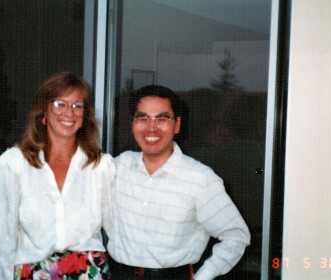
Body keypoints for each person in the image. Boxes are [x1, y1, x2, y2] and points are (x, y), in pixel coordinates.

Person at [106, 85, 250, 280]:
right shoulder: (117, 168)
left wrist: (203, 276)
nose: (151, 128)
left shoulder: (200, 179)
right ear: (133, 123)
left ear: (177, 125)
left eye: (162, 119)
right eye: (143, 118)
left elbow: (236, 236)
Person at [0, 72, 114, 280]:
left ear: (84, 118)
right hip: (32, 271)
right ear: (43, 113)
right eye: (60, 104)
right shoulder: (15, 163)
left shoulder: (101, 166)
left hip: (89, 271)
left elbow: (117, 228)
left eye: (77, 106)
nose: (69, 113)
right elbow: (4, 236)